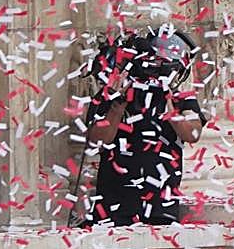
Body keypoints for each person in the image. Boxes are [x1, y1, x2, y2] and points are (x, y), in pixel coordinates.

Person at [84, 26, 205, 226]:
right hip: (116, 200)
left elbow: (192, 133)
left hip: (160, 199)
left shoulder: (181, 99)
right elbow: (98, 139)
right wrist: (118, 104)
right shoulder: (110, 95)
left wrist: (167, 100)